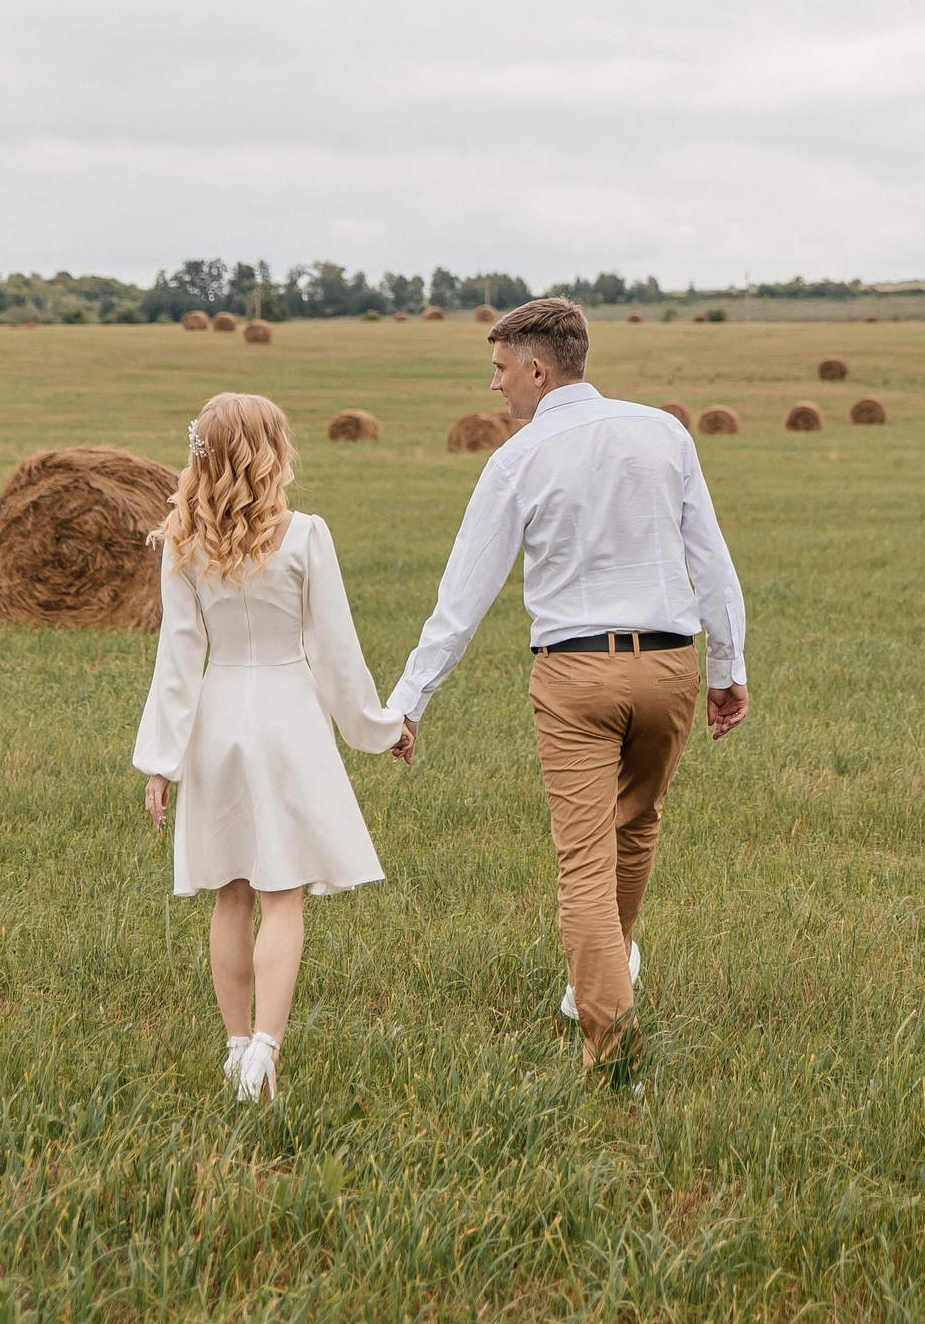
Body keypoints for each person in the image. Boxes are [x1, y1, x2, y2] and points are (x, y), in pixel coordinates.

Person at [391, 298, 748, 1079]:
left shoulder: (517, 459)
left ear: (537, 367)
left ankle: (608, 1043)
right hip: (668, 667)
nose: (495, 388)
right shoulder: (665, 432)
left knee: (582, 860)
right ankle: (603, 973)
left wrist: (412, 697)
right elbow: (712, 563)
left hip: (574, 672)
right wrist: (728, 671)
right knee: (638, 825)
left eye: (498, 369)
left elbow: (463, 596)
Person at [133, 392, 414, 1102]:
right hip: (287, 718)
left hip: (216, 721)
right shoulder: (305, 534)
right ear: (271, 451)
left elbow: (178, 657)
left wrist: (161, 762)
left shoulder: (183, 541)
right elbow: (336, 652)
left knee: (229, 892)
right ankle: (264, 1050)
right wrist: (382, 729)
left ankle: (234, 1050)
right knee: (281, 894)